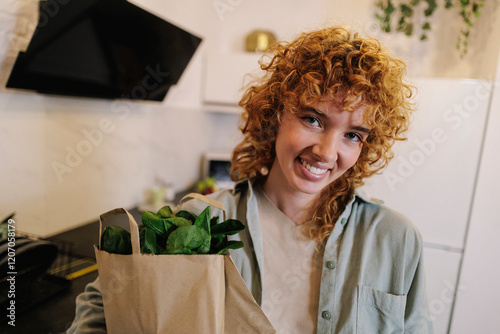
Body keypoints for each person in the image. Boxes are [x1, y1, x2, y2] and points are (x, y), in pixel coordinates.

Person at [68, 26, 433, 333]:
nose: (326, 151)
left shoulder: (395, 239)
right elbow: (103, 304)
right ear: (276, 114)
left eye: (353, 135)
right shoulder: (200, 222)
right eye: (312, 119)